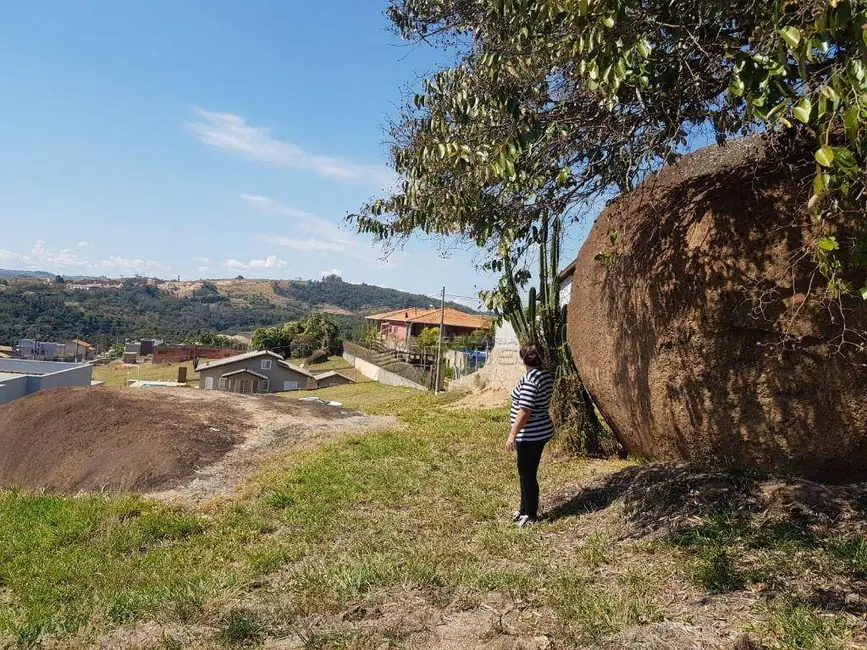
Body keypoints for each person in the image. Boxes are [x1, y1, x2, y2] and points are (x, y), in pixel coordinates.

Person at [506, 344, 555, 526]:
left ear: (524, 359)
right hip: (540, 430)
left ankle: (531, 515)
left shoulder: (531, 380)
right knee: (525, 473)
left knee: (527, 474)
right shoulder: (545, 375)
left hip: (530, 435)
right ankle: (523, 509)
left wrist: (513, 434)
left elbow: (525, 410)